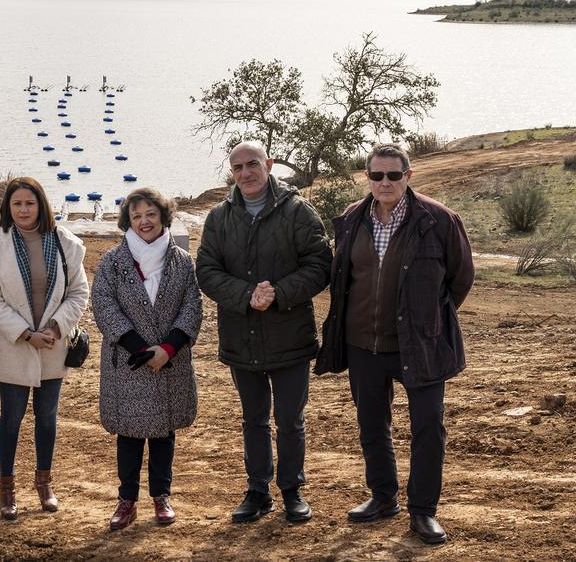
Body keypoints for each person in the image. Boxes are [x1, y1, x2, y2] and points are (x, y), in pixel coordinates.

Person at [315, 143, 474, 545]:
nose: (384, 183)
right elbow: (344, 278)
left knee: (427, 428)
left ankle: (423, 512)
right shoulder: (352, 218)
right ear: (366, 177)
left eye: (393, 175)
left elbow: (460, 278)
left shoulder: (438, 220)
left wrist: (428, 318)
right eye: (376, 175)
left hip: (420, 345)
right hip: (362, 343)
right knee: (372, 424)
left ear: (408, 176)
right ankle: (383, 497)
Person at [195, 141, 331, 524]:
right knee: (253, 419)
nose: (245, 173)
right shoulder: (219, 218)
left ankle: (291, 490)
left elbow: (321, 265)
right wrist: (245, 295)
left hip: (290, 335)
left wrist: (278, 293)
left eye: (252, 164)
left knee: (290, 419)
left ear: (268, 165)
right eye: (237, 167)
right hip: (242, 336)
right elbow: (206, 271)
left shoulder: (298, 211)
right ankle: (258, 491)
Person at [91, 187, 203, 531]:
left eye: (151, 214)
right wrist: (140, 348)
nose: (144, 221)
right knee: (128, 434)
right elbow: (104, 306)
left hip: (170, 361)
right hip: (129, 362)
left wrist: (167, 348)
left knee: (163, 434)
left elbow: (192, 306)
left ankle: (161, 497)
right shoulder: (112, 261)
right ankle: (126, 501)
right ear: (128, 220)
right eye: (137, 216)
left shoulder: (182, 261)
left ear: (163, 217)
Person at [0, 177, 89, 520]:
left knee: (47, 417)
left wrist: (56, 327)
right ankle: (7, 490)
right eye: (17, 204)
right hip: (14, 345)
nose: (24, 210)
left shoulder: (64, 242)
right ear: (8, 208)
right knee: (11, 418)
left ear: (41, 205)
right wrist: (26, 333)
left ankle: (44, 484)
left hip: (53, 344)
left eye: (29, 203)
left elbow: (79, 293)